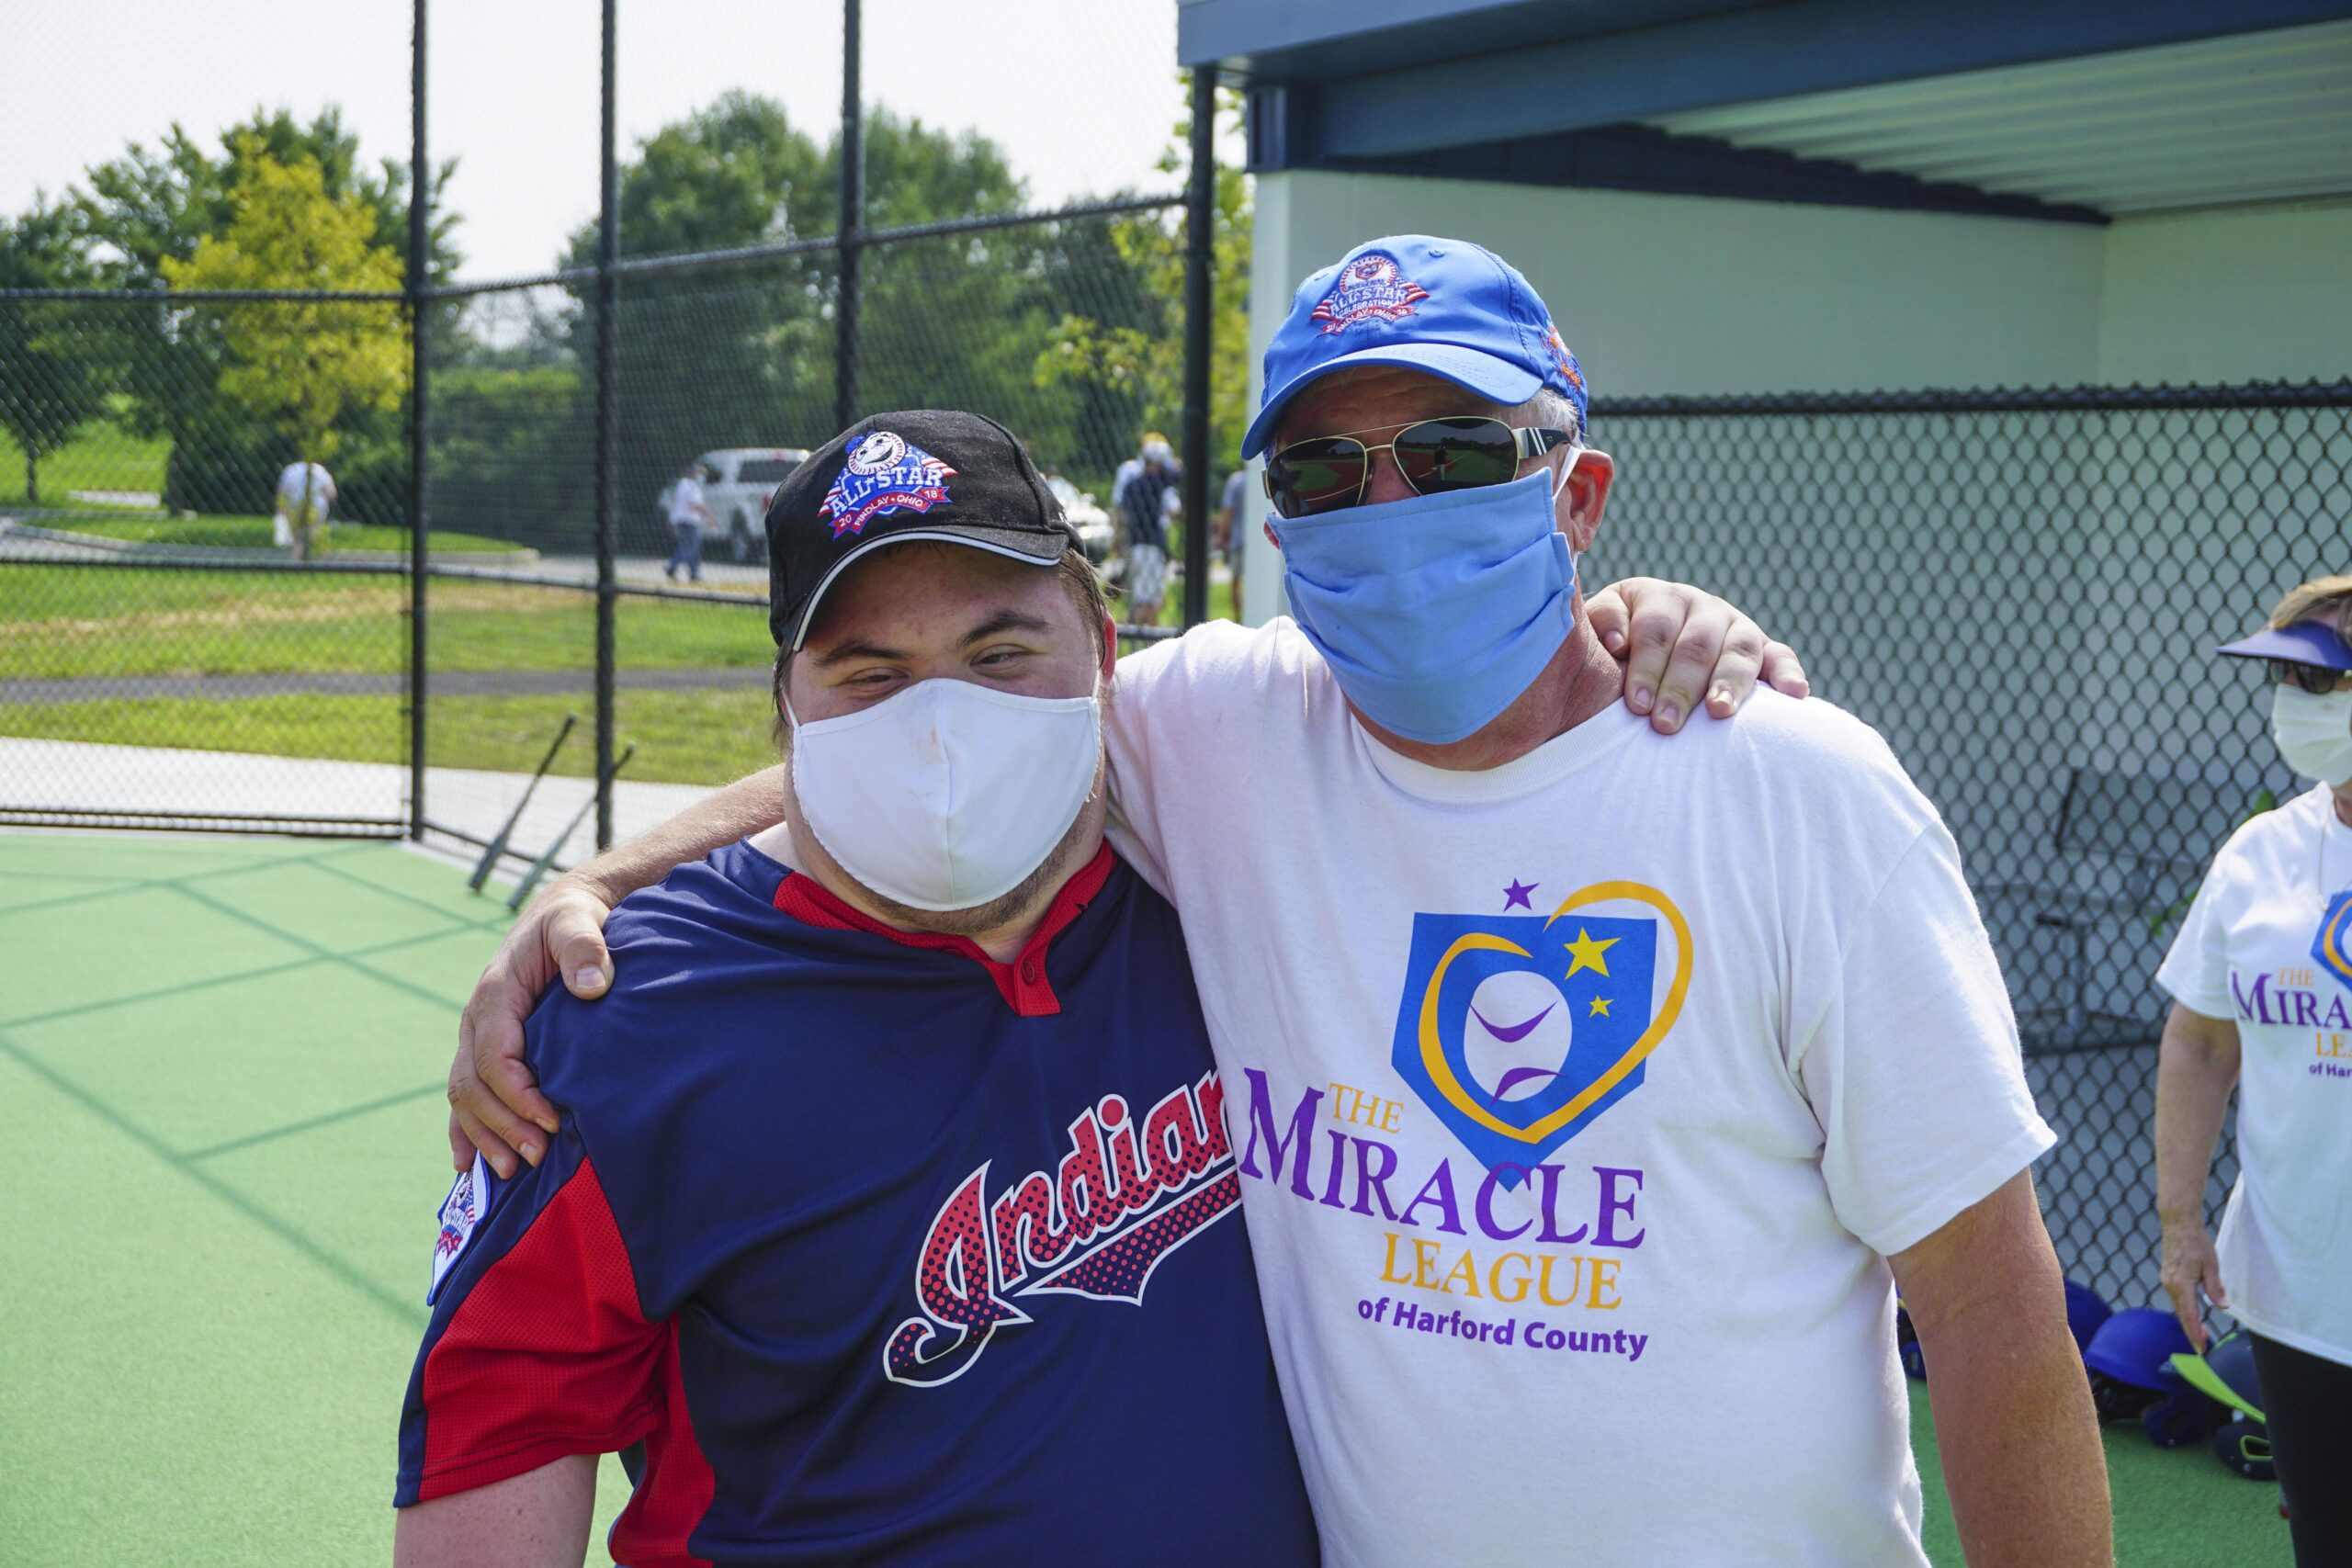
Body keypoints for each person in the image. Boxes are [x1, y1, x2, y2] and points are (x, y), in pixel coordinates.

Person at [454, 236, 2110, 1563]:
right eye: (1323, 476)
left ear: (1580, 494)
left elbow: (1988, 1305)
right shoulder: (1225, 730)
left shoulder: (1796, 790)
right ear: (1269, 519)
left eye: (1455, 452)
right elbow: (947, 726)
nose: (1388, 515)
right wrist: (598, 878)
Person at [394, 412, 1321, 1566]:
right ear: (787, 701)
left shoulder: (1233, 890)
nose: (942, 728)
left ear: (1105, 649)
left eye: (998, 657)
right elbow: (500, 1425)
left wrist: (1613, 628)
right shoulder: (633, 1015)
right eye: (871, 673)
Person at [2155, 572, 2352, 1565]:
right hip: (2297, 1291)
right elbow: (2199, 1040)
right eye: (2287, 683)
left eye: (2324, 685)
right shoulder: (2258, 856)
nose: (2296, 710)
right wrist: (2180, 1222)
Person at [1112, 435, 1180, 625]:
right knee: (1149, 602)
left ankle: (1142, 638)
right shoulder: (1156, 482)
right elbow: (1178, 474)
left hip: (1135, 544)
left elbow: (1120, 513)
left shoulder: (1132, 484)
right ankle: (1121, 632)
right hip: (1150, 546)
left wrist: (1117, 541)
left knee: (1147, 600)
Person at [273, 455, 335, 561]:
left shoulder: (291, 470)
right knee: (307, 536)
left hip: (294, 506)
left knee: (297, 536)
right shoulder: (320, 471)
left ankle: (297, 559)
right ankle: (299, 560)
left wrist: (280, 510)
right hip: (316, 507)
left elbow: (282, 492)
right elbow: (332, 494)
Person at [664, 459, 711, 582]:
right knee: (690, 547)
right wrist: (709, 517)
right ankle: (672, 566)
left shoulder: (682, 484)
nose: (702, 477)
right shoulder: (692, 486)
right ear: (695, 473)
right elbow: (696, 504)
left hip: (680, 519)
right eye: (701, 473)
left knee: (690, 547)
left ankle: (694, 573)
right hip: (689, 520)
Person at [1216, 463, 1249, 615]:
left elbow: (1228, 511)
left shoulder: (1236, 481)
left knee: (1236, 580)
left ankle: (1238, 617)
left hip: (1239, 538)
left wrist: (1222, 536)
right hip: (1263, 541)